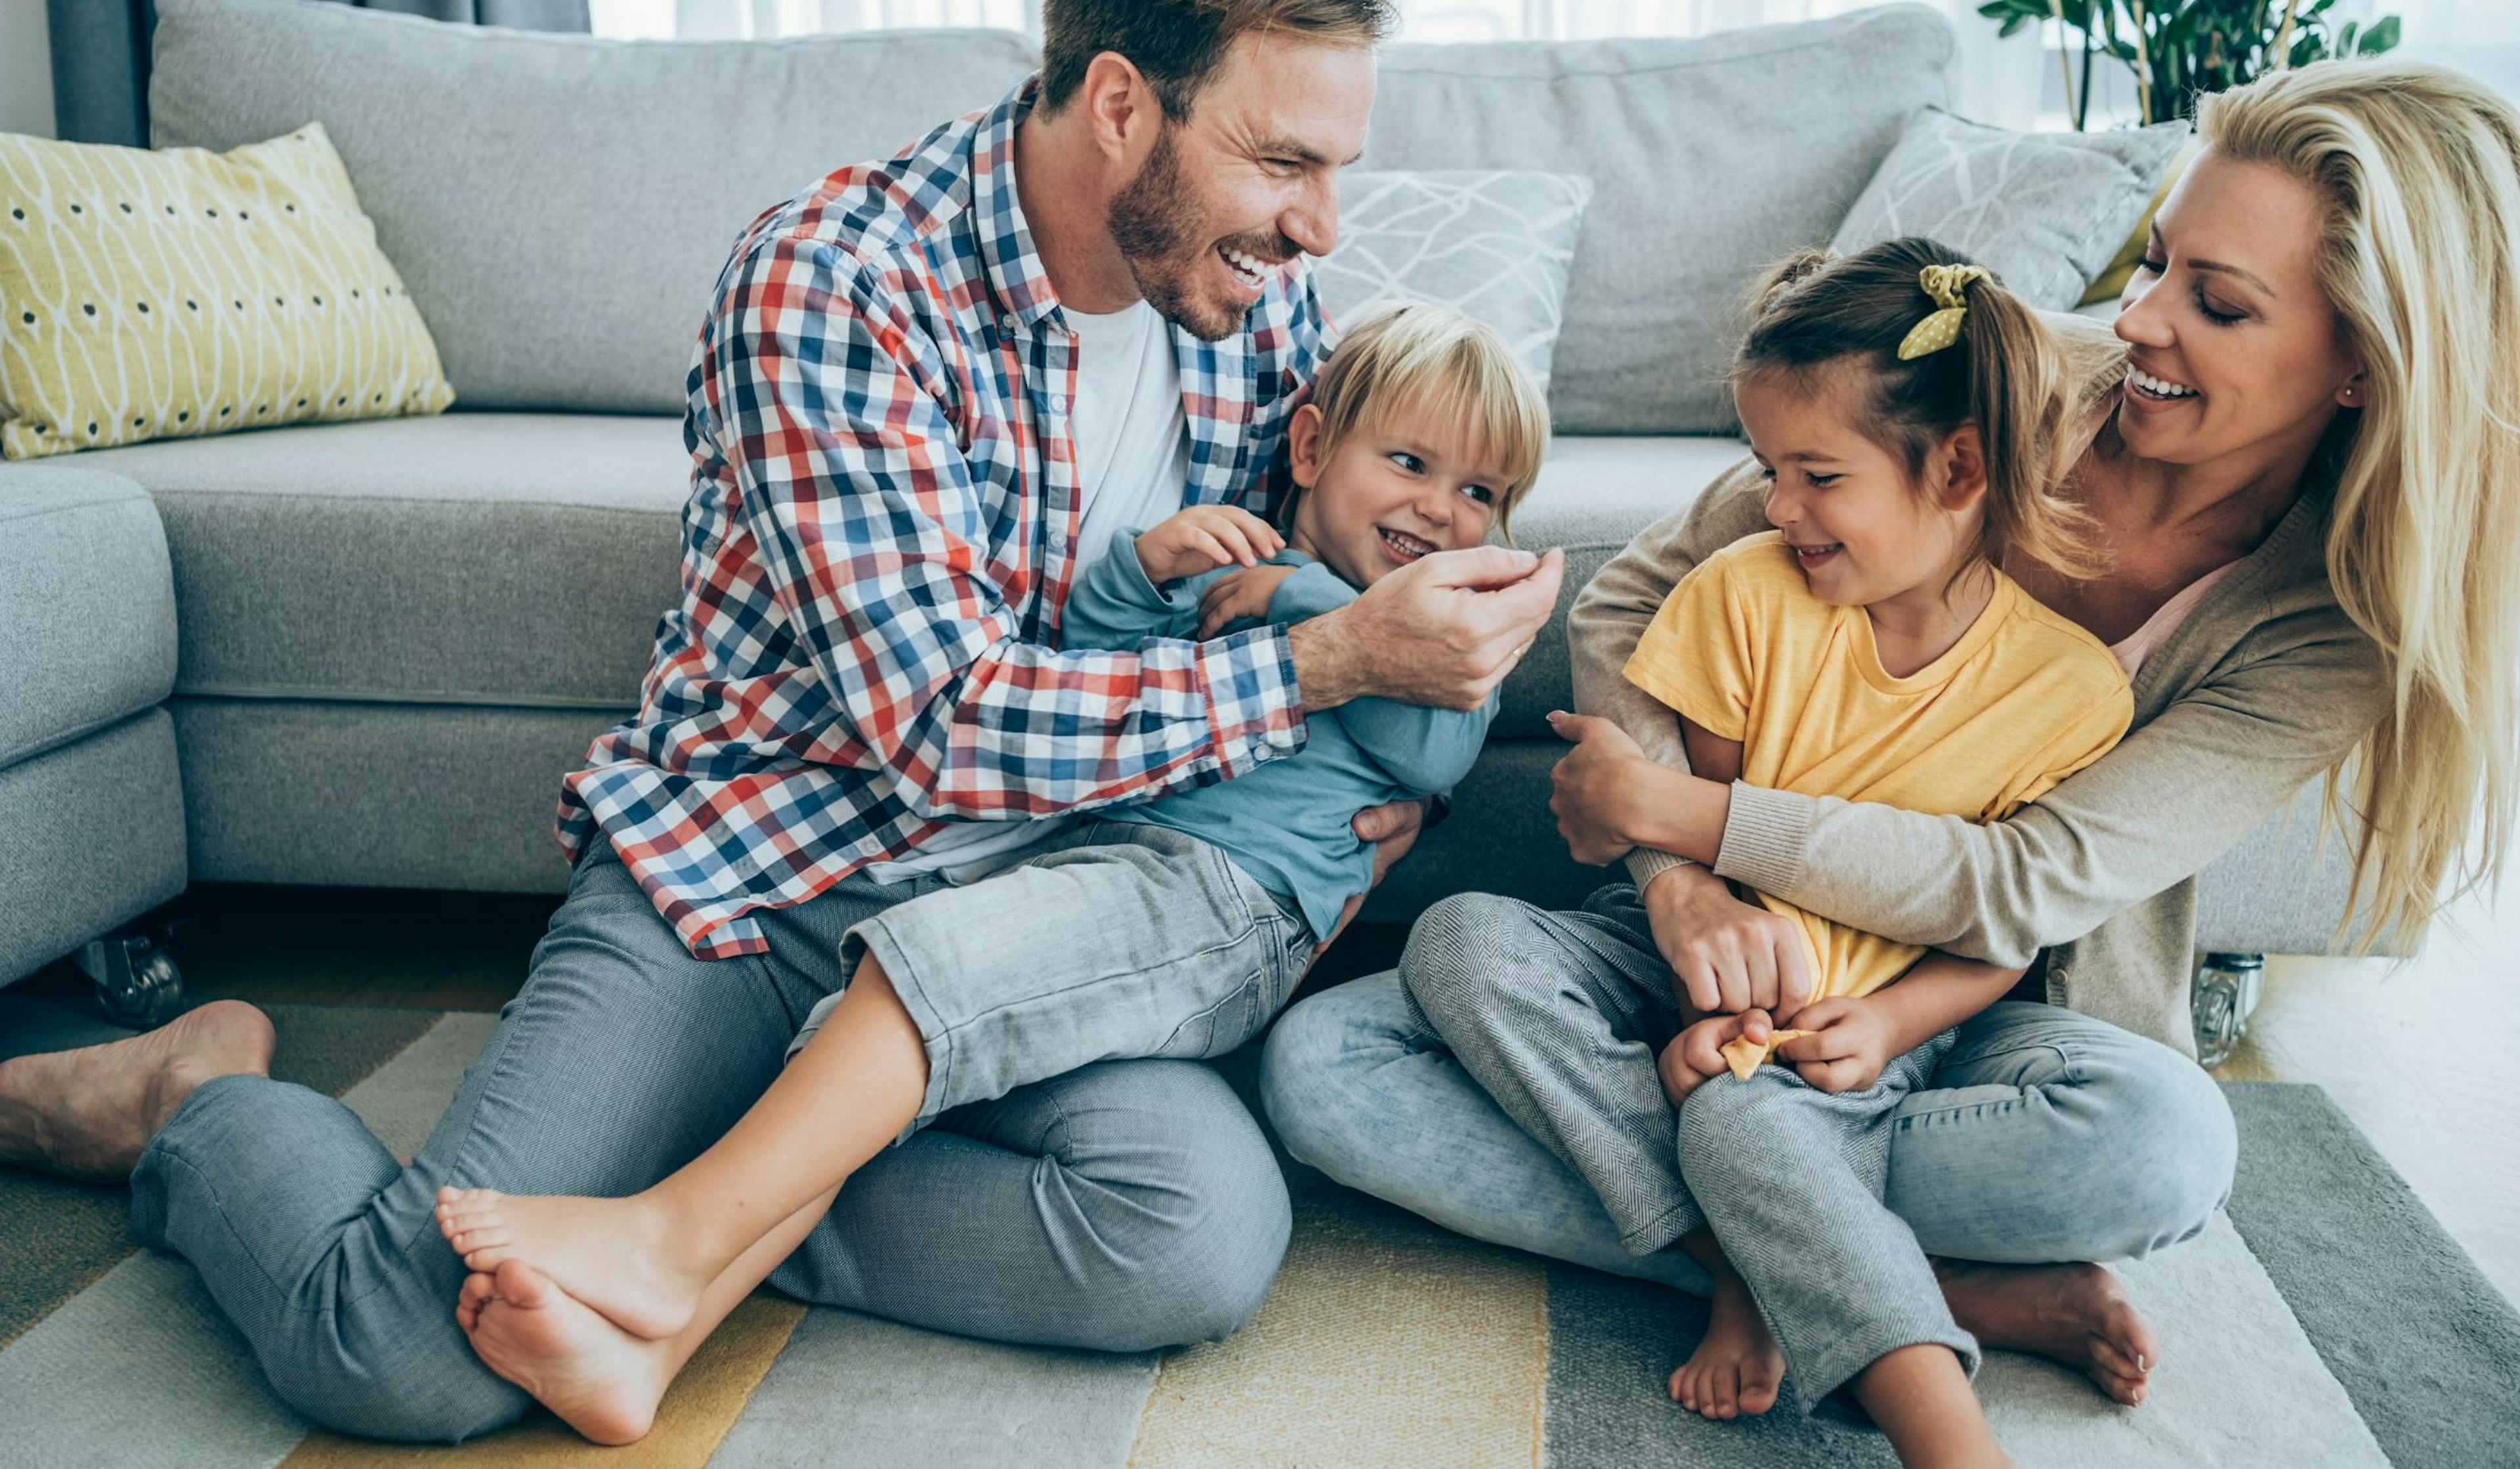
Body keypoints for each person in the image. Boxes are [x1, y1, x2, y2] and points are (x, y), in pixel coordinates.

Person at [0, 0, 1564, 1443]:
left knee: (1190, 1233)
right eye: (1284, 160)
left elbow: (1349, 591)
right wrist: (1325, 671)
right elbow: (942, 726)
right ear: (1117, 107)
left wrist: (1381, 766)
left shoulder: (1259, 313)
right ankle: (193, 1097)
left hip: (1044, 916)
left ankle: (697, 1214)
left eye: (1333, 168)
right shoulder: (836, 281)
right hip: (767, 884)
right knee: (400, 1351)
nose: (1320, 223)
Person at [1264, 54, 2520, 1430]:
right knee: (1326, 1073)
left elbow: (2022, 888)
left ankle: (1771, 1229)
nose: (2143, 317)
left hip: (1960, 1017)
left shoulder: (2329, 627)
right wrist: (1681, 891)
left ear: (2362, 363)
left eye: (2216, 303)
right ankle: (1890, 1280)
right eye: (2159, 261)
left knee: (2166, 1148)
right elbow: (1630, 593)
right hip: (1717, 958)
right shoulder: (1988, 377)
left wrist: (1686, 822)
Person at [426, 301, 1551, 1443]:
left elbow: (1437, 747)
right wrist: (1141, 576)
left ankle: (666, 1234)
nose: (1439, 509)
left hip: (1217, 907)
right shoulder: (1241, 563)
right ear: (1311, 451)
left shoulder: (1435, 624)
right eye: (1410, 463)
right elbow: (1088, 668)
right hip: (1109, 869)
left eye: (1481, 495)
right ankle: (659, 1342)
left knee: (930, 979)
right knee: (877, 1045)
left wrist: (1318, 608)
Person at [1405, 239, 2131, 1466]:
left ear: (1959, 466)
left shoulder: (2068, 692)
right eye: (1766, 469)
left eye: (1817, 475)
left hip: (1880, 1014)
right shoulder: (1744, 594)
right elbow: (1710, 854)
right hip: (1683, 954)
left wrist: (1891, 1029)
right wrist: (1710, 991)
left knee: (1752, 1125)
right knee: (1458, 938)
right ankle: (1760, 1257)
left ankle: (1950, 1440)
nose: (1778, 506)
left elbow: (2003, 930)